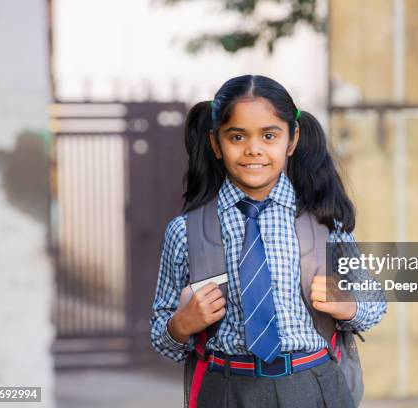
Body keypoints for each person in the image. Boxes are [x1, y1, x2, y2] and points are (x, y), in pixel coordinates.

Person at [150, 74, 386, 407]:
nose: (254, 149)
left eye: (269, 135)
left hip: (314, 386)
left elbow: (374, 302)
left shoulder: (325, 224)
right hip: (227, 390)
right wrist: (181, 325)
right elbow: (161, 333)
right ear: (216, 143)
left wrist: (348, 307)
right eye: (237, 136)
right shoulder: (185, 232)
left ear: (292, 140)